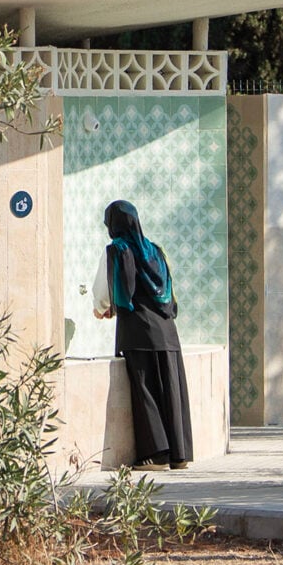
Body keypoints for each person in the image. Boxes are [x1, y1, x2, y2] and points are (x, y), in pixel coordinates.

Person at [93, 199, 193, 468]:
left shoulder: (118, 249)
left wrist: (102, 308)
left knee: (145, 389)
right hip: (167, 330)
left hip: (138, 329)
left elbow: (104, 291)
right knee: (171, 389)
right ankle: (179, 454)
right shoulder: (156, 251)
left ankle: (157, 454)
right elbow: (169, 290)